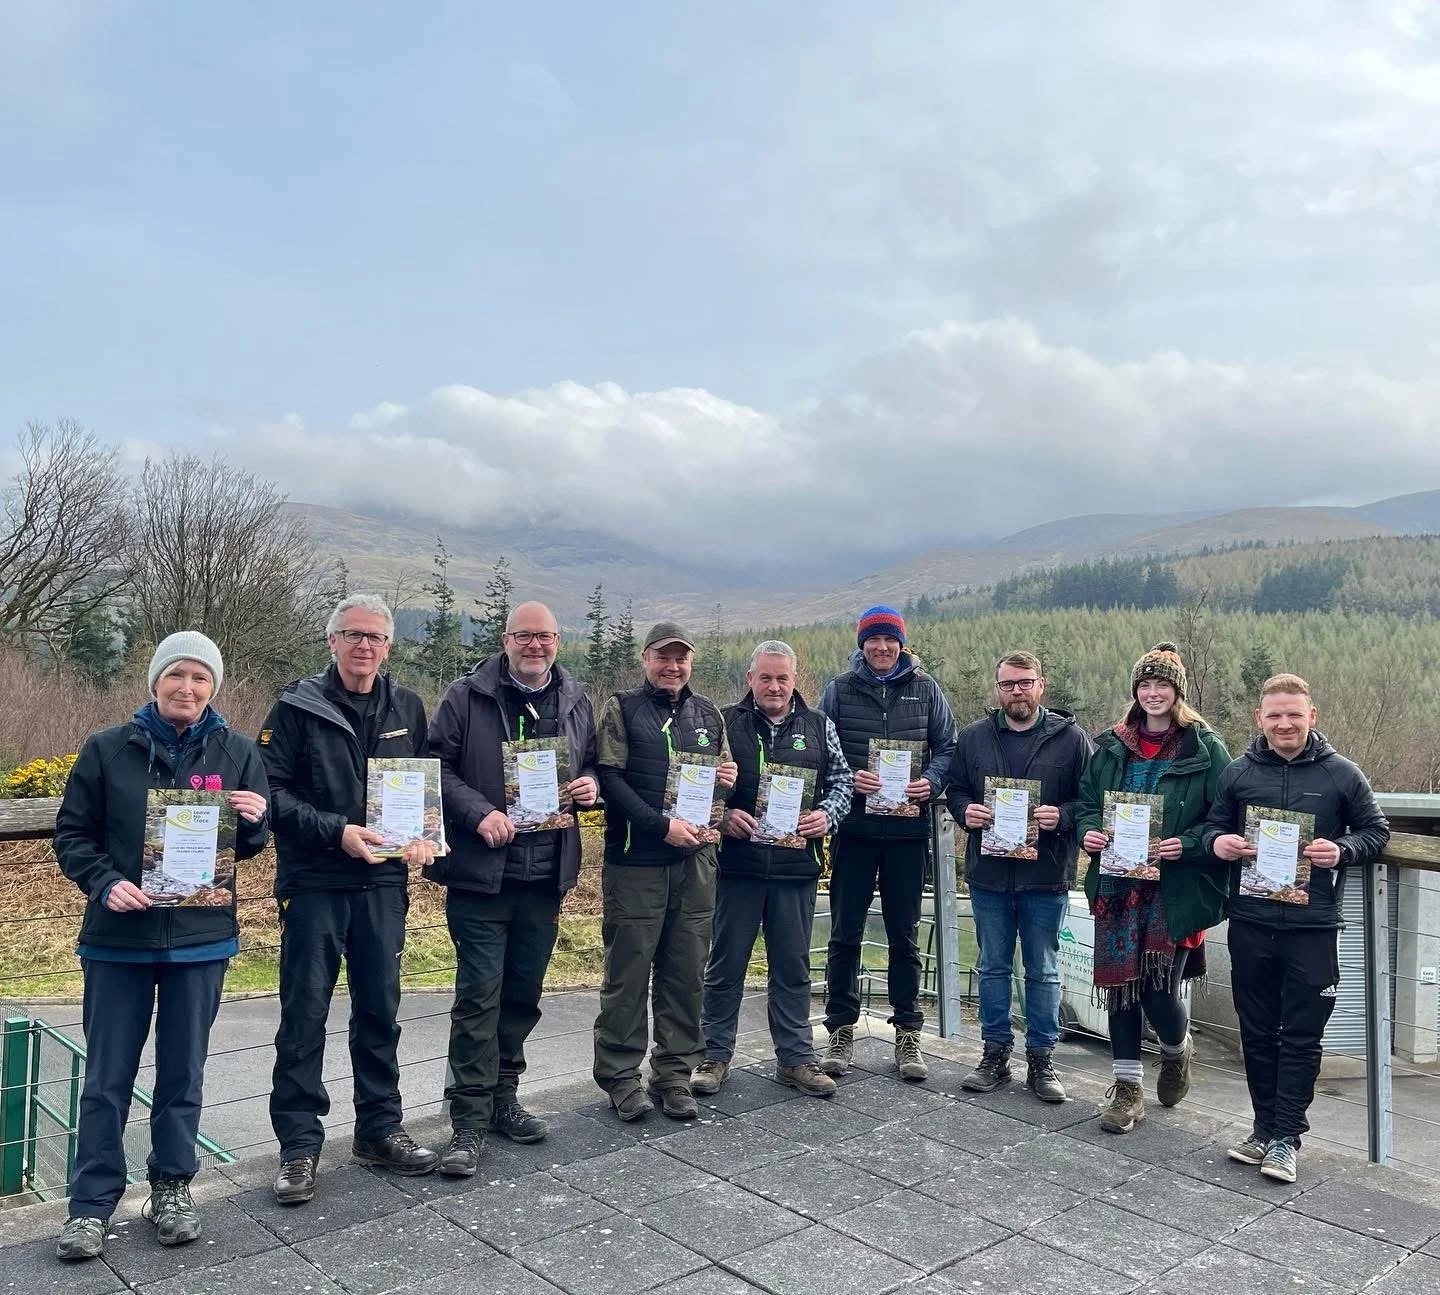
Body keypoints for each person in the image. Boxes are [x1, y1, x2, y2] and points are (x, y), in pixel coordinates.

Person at [53, 632, 269, 1262]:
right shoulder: (107, 750)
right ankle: (91, 1207)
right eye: (177, 675)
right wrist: (104, 882)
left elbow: (243, 850)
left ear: (214, 688)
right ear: (154, 681)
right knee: (106, 1078)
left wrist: (257, 821)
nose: (188, 688)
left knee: (182, 1074)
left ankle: (172, 1188)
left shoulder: (237, 752)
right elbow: (72, 836)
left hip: (200, 942)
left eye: (201, 679)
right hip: (118, 941)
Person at [260, 595, 439, 1204]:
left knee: (379, 1011)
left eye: (376, 637)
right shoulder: (295, 706)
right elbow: (269, 795)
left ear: (388, 647)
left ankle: (379, 1130)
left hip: (384, 884)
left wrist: (423, 837)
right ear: (331, 641)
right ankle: (299, 1147)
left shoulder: (408, 707)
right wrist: (336, 830)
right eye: (353, 635)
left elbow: (425, 789)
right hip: (314, 882)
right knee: (304, 1015)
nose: (364, 646)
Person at [425, 601, 599, 1175]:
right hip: (482, 876)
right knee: (479, 996)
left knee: (523, 995)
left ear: (557, 641)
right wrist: (477, 813)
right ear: (505, 639)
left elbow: (594, 762)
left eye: (544, 636)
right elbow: (435, 767)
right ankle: (467, 1121)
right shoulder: (465, 696)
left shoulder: (576, 699)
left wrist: (591, 785)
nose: (534, 645)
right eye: (524, 636)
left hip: (546, 875)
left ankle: (504, 1096)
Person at [1203, 673, 1389, 1183]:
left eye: (1294, 714)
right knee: (1257, 1032)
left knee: (1303, 1035)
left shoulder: (1342, 775)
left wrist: (1343, 849)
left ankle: (1287, 1137)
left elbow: (1377, 831)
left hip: (1312, 925)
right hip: (1251, 922)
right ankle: (1262, 1129)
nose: (1285, 723)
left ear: (1312, 716)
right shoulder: (1239, 773)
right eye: (1275, 715)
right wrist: (1218, 844)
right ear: (1259, 719)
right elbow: (1212, 829)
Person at [1075, 643, 1231, 1133]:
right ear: (1135, 692)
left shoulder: (1204, 748)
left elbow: (1225, 819)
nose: (1153, 692)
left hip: (1173, 891)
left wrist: (1185, 844)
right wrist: (1087, 832)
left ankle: (1175, 1048)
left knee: (1159, 992)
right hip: (1119, 888)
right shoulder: (1111, 746)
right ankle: (1126, 1089)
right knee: (1122, 991)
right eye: (1145, 684)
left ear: (1177, 691)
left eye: (1162, 684)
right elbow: (1084, 803)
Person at [693, 640, 853, 1099]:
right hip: (737, 867)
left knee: (792, 968)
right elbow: (701, 781)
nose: (774, 686)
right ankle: (714, 1055)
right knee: (725, 966)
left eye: (783, 678)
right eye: (765, 677)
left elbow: (841, 780)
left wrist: (828, 814)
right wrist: (721, 816)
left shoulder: (820, 726)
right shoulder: (724, 723)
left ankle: (796, 1059)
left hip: (795, 868)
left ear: (796, 680)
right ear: (750, 679)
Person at [593, 621, 737, 1120]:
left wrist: (727, 783)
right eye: (663, 657)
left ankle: (674, 1076)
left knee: (685, 974)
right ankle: (620, 1077)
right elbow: (609, 777)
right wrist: (659, 826)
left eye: (681, 658)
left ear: (691, 662)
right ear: (646, 659)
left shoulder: (708, 713)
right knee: (628, 976)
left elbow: (723, 783)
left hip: (696, 862)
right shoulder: (622, 707)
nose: (672, 666)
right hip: (637, 861)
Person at [818, 606, 957, 1083]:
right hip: (853, 831)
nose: (881, 648)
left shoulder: (927, 689)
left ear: (902, 644)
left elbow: (949, 748)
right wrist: (845, 778)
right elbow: (822, 749)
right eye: (873, 640)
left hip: (905, 833)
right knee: (844, 934)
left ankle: (908, 1033)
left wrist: (932, 782)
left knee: (904, 935)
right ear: (862, 644)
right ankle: (839, 1030)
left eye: (889, 641)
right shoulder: (838, 690)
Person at [947, 650, 1092, 1102]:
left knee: (1044, 971)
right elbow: (956, 790)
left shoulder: (1072, 740)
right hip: (989, 876)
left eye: (1025, 682)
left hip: (1046, 876)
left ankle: (1042, 1060)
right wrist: (964, 811)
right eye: (1009, 684)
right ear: (998, 689)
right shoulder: (973, 738)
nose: (1017, 691)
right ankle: (994, 1055)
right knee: (991, 967)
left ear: (1041, 685)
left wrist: (1062, 816)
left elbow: (1091, 802)